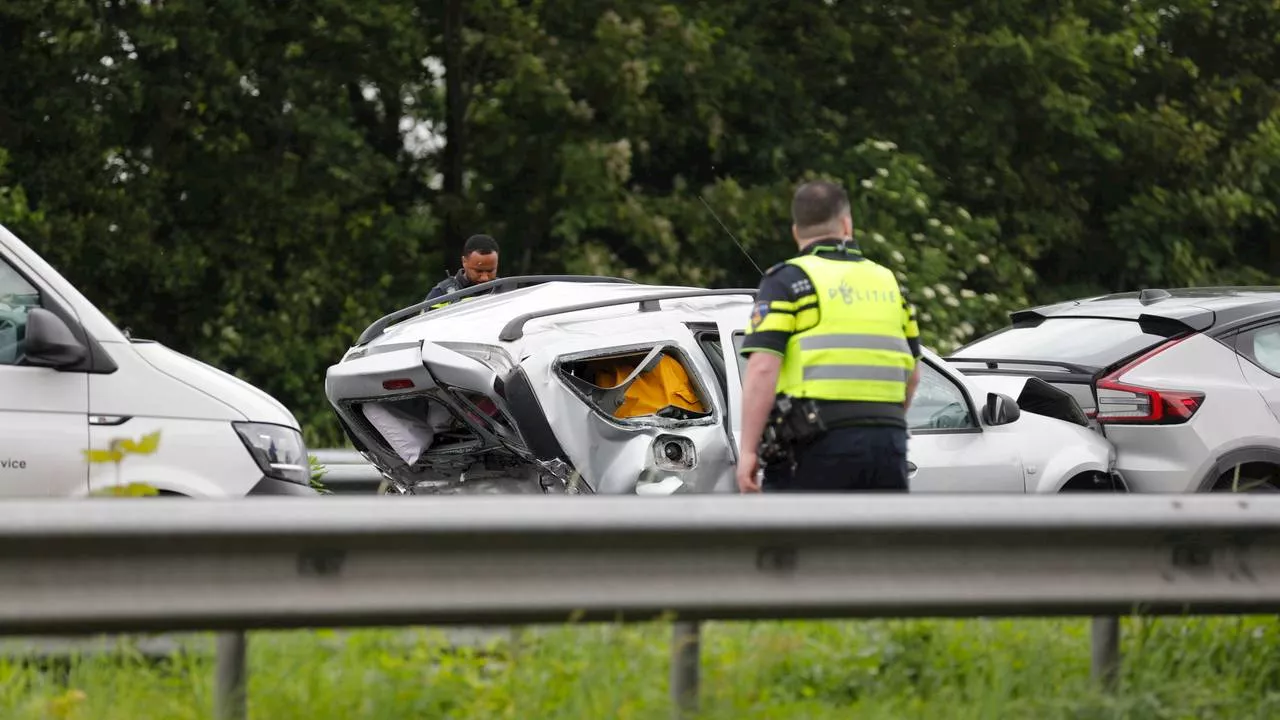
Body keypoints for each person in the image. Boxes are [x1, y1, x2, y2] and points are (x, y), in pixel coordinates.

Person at [735, 180, 922, 494]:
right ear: (847, 224)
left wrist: (749, 451)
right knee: (875, 542)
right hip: (887, 444)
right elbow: (913, 377)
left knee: (800, 542)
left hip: (815, 445)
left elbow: (763, 369)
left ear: (796, 231)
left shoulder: (788, 281)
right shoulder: (889, 282)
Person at [424, 234, 500, 306]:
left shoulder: (507, 290)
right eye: (478, 271)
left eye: (490, 271)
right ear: (464, 261)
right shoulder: (440, 294)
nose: (485, 278)